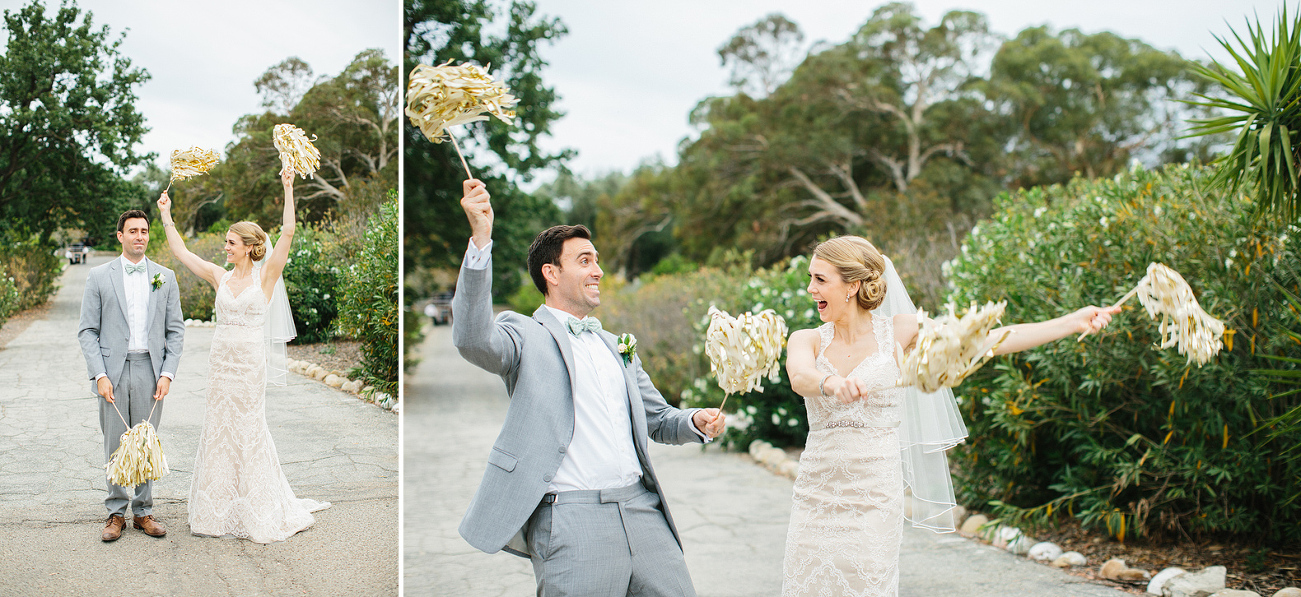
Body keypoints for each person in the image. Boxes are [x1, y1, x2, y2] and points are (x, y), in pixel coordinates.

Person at [781, 235, 1120, 597]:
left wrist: (1071, 322)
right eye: (811, 277)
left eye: (820, 279)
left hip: (873, 493)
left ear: (853, 285)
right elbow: (800, 376)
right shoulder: (806, 338)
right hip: (816, 493)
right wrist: (831, 383)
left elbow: (986, 340)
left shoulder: (901, 331)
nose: (809, 288)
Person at [452, 179, 726, 596]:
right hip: (570, 520)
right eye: (584, 261)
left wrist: (695, 420)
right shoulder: (522, 334)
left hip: (644, 511)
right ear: (551, 273)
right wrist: (481, 238)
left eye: (596, 260)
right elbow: (472, 338)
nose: (598, 270)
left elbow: (658, 418)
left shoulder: (616, 344)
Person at [156, 168, 329, 543]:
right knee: (219, 427)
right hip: (220, 364)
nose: (226, 247)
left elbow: (287, 233)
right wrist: (166, 215)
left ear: (249, 246)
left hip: (250, 364)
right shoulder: (219, 276)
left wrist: (288, 189)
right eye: (227, 242)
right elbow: (181, 251)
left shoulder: (265, 277)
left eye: (232, 242)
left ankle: (257, 506)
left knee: (248, 428)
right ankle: (217, 507)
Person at [78, 209, 186, 542]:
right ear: (120, 236)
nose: (139, 236)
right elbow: (87, 330)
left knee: (145, 441)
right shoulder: (98, 276)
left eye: (144, 230)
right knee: (115, 441)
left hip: (149, 369)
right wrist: (99, 374)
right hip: (112, 370)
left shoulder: (164, 276)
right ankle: (115, 512)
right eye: (132, 231)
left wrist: (167, 373)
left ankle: (143, 512)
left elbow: (175, 330)